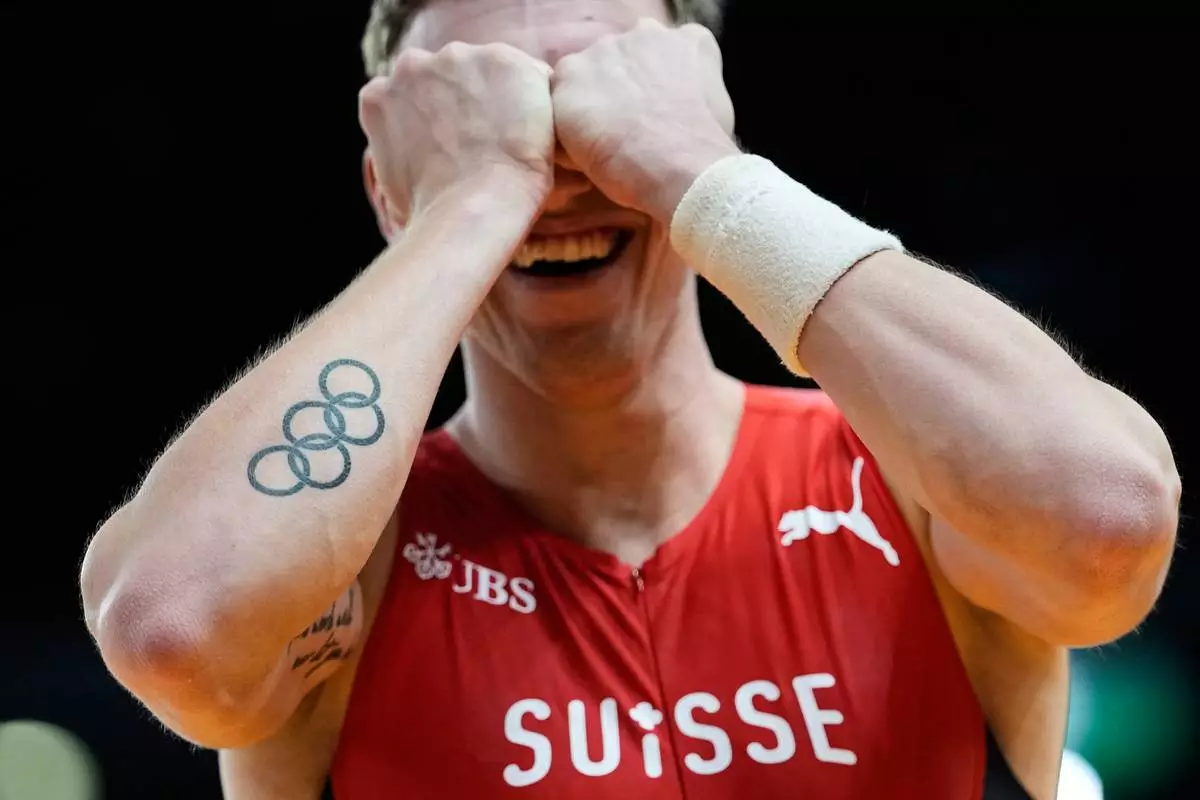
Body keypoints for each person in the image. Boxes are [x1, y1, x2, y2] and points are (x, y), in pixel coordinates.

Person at [80, 1, 1181, 798]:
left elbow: (1108, 522)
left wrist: (696, 169)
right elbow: (175, 623)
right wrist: (468, 206)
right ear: (391, 190)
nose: (556, 170)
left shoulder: (909, 477)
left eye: (597, 107)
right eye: (494, 121)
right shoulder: (344, 555)